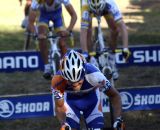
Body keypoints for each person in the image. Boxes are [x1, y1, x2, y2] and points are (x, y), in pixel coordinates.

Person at [51, 50, 125, 130]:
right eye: (71, 82)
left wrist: (118, 119)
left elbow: (115, 96)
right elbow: (59, 106)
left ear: (84, 72)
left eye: (79, 81)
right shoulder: (57, 80)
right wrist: (63, 123)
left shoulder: (95, 75)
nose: (76, 86)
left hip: (92, 101)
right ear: (64, 76)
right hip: (71, 102)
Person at [80, 0, 131, 80]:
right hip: (89, 8)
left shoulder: (110, 3)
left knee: (115, 29)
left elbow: (122, 27)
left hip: (105, 9)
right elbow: (83, 32)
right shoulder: (85, 6)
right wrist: (85, 53)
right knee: (88, 31)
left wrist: (125, 48)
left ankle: (112, 59)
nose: (97, 14)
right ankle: (92, 60)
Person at [27, 0, 77, 80]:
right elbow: (30, 21)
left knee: (62, 41)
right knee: (42, 36)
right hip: (43, 16)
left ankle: (64, 65)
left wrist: (68, 30)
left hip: (57, 16)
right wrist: (36, 34)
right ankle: (47, 67)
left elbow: (74, 15)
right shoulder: (36, 2)